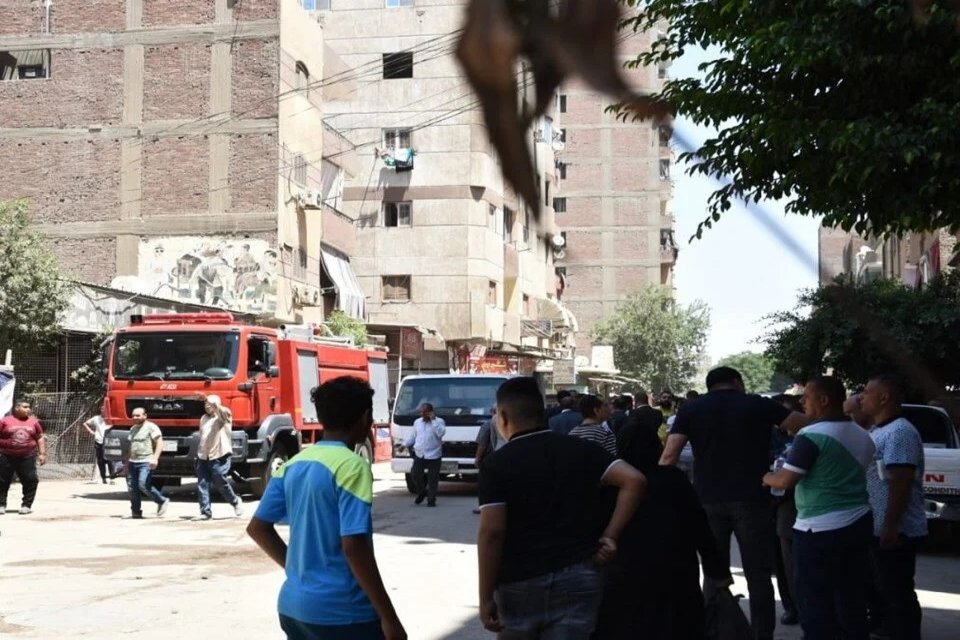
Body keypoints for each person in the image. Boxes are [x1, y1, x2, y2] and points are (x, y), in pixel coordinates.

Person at [477, 377, 646, 639]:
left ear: (503, 416)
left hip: (519, 583)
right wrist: (610, 536)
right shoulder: (583, 451)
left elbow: (492, 533)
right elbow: (634, 480)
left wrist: (485, 596)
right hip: (580, 576)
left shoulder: (497, 464)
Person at [247, 377, 407, 640]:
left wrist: (296, 569)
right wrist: (389, 617)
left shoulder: (293, 464)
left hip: (294, 607)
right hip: (344, 613)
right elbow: (354, 546)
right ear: (365, 417)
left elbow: (257, 528)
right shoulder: (352, 466)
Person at [660, 366, 808, 640]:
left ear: (709, 386)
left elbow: (669, 456)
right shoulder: (758, 404)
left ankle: (713, 631)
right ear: (737, 382)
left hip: (707, 500)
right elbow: (806, 426)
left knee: (714, 573)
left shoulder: (691, 410)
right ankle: (761, 634)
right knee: (758, 574)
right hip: (752, 499)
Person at [595, 419, 730, 639]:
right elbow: (699, 526)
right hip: (675, 573)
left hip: (626, 574)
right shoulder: (674, 479)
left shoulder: (611, 486)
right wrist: (718, 571)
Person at [763, 377, 875, 640]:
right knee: (851, 595)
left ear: (824, 401)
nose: (801, 401)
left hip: (818, 528)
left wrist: (766, 477)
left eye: (807, 397)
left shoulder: (812, 436)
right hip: (858, 521)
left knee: (815, 602)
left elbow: (785, 480)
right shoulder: (862, 435)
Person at [859, 375, 927, 640]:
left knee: (897, 593)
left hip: (895, 531)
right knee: (879, 591)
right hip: (876, 527)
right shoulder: (878, 431)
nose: (861, 397)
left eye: (866, 392)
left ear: (884, 397)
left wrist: (890, 525)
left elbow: (901, 481)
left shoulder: (900, 432)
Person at [769, 394, 802, 627]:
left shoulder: (807, 438)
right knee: (782, 562)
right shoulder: (768, 436)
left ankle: (803, 606)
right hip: (776, 506)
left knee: (795, 562)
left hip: (796, 505)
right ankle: (791, 606)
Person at [195, 394, 243, 520]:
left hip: (219, 454)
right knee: (202, 483)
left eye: (209, 404)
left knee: (219, 479)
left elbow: (221, 411)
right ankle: (205, 512)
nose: (207, 406)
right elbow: (202, 436)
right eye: (205, 404)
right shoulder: (204, 418)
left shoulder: (223, 414)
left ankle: (235, 501)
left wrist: (209, 400)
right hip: (204, 455)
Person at [0, 399, 47, 515]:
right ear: (17, 408)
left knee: (31, 480)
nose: (28, 409)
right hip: (6, 456)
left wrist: (42, 454)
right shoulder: (5, 421)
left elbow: (40, 437)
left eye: (29, 407)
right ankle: (1, 505)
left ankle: (26, 505)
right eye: (25, 407)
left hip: (27, 456)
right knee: (2, 481)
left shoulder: (34, 422)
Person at [126, 407, 170, 519]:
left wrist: (155, 458)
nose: (135, 418)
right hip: (133, 462)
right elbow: (131, 446)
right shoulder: (133, 429)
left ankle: (161, 500)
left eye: (138, 415)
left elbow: (160, 443)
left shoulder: (151, 427)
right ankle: (136, 512)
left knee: (143, 484)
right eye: (133, 415)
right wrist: (127, 462)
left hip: (146, 461)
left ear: (145, 416)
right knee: (132, 488)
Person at [404, 403, 445, 507]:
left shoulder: (439, 421)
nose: (422, 414)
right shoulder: (417, 422)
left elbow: (440, 433)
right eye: (421, 412)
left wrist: (434, 420)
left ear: (431, 412)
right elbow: (413, 437)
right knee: (415, 474)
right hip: (420, 454)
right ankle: (422, 492)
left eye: (425, 412)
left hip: (434, 454)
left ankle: (431, 499)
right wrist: (404, 445)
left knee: (432, 478)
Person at [474, 406, 505, 514]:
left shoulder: (490, 422)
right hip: (506, 452)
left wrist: (478, 458)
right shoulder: (512, 419)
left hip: (493, 455)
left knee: (487, 483)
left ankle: (485, 506)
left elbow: (484, 443)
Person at [83, 414, 116, 485]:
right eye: (102, 409)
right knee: (101, 461)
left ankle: (112, 478)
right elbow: (85, 423)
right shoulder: (96, 418)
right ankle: (103, 478)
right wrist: (91, 432)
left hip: (109, 441)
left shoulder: (112, 417)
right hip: (99, 441)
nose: (104, 410)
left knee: (110, 460)